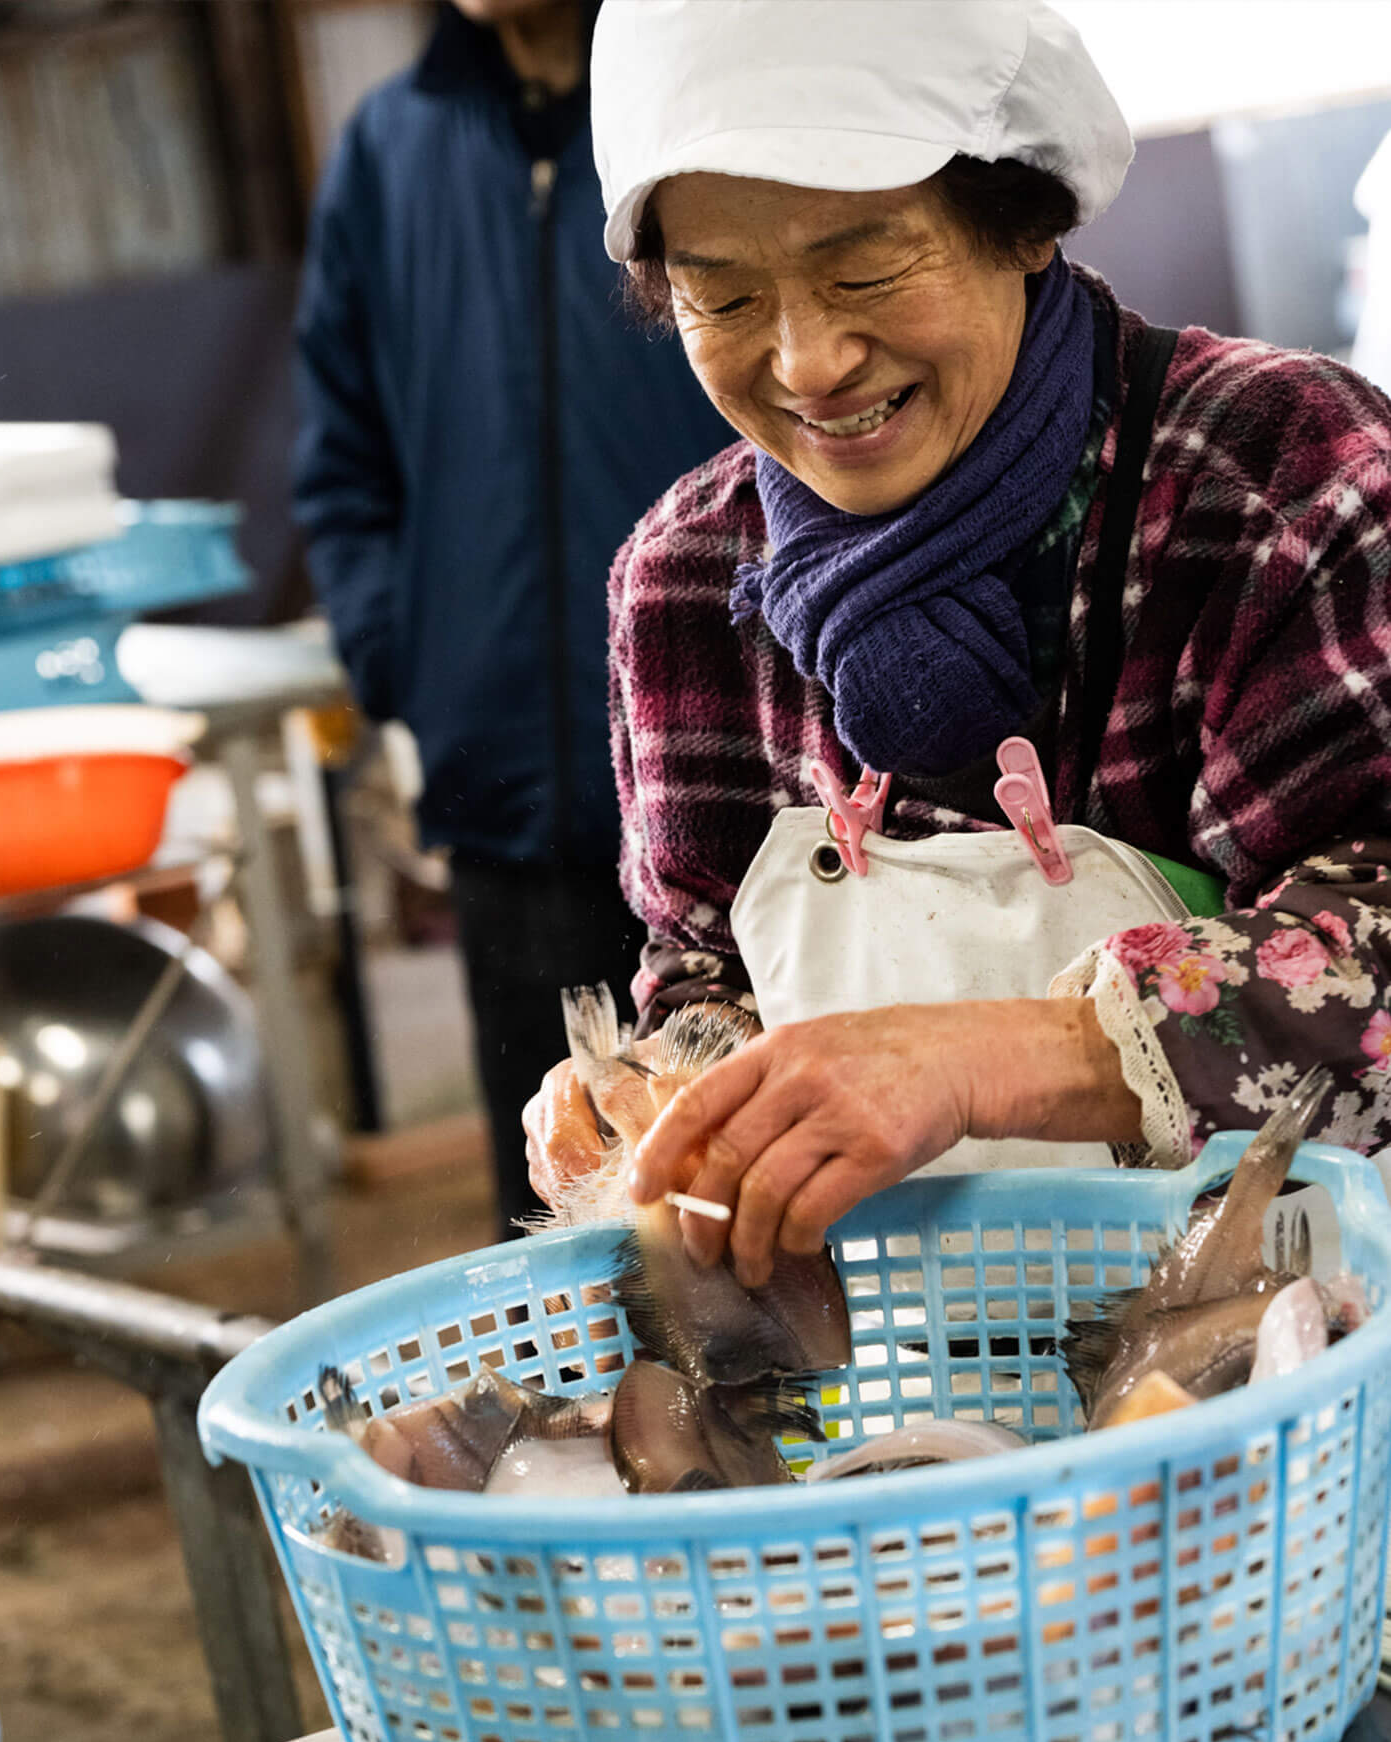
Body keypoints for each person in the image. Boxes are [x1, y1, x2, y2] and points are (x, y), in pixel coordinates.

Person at [524, 0, 1391, 1286]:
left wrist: (985, 1059)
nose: (808, 361)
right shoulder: (687, 584)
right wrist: (670, 1088)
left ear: (1022, 218)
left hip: (1300, 1337)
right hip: (900, 1367)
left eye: (864, 271)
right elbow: (708, 972)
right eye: (726, 295)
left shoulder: (1274, 482)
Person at [293, 0, 734, 1234]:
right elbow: (340, 454)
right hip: (500, 786)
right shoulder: (390, 147)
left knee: (730, 1198)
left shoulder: (697, 88)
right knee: (543, 1204)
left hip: (725, 770)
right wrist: (402, 659)